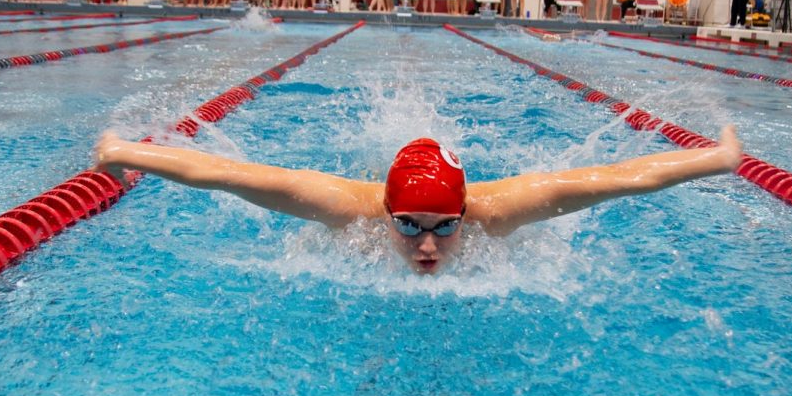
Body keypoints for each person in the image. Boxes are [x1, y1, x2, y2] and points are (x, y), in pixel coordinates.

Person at [93, 126, 742, 275]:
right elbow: (221, 171)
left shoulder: (502, 209)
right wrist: (122, 148)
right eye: (407, 227)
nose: (427, 245)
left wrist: (716, 159)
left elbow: (620, 176)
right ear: (384, 212)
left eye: (442, 228)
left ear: (467, 215)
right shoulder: (344, 207)